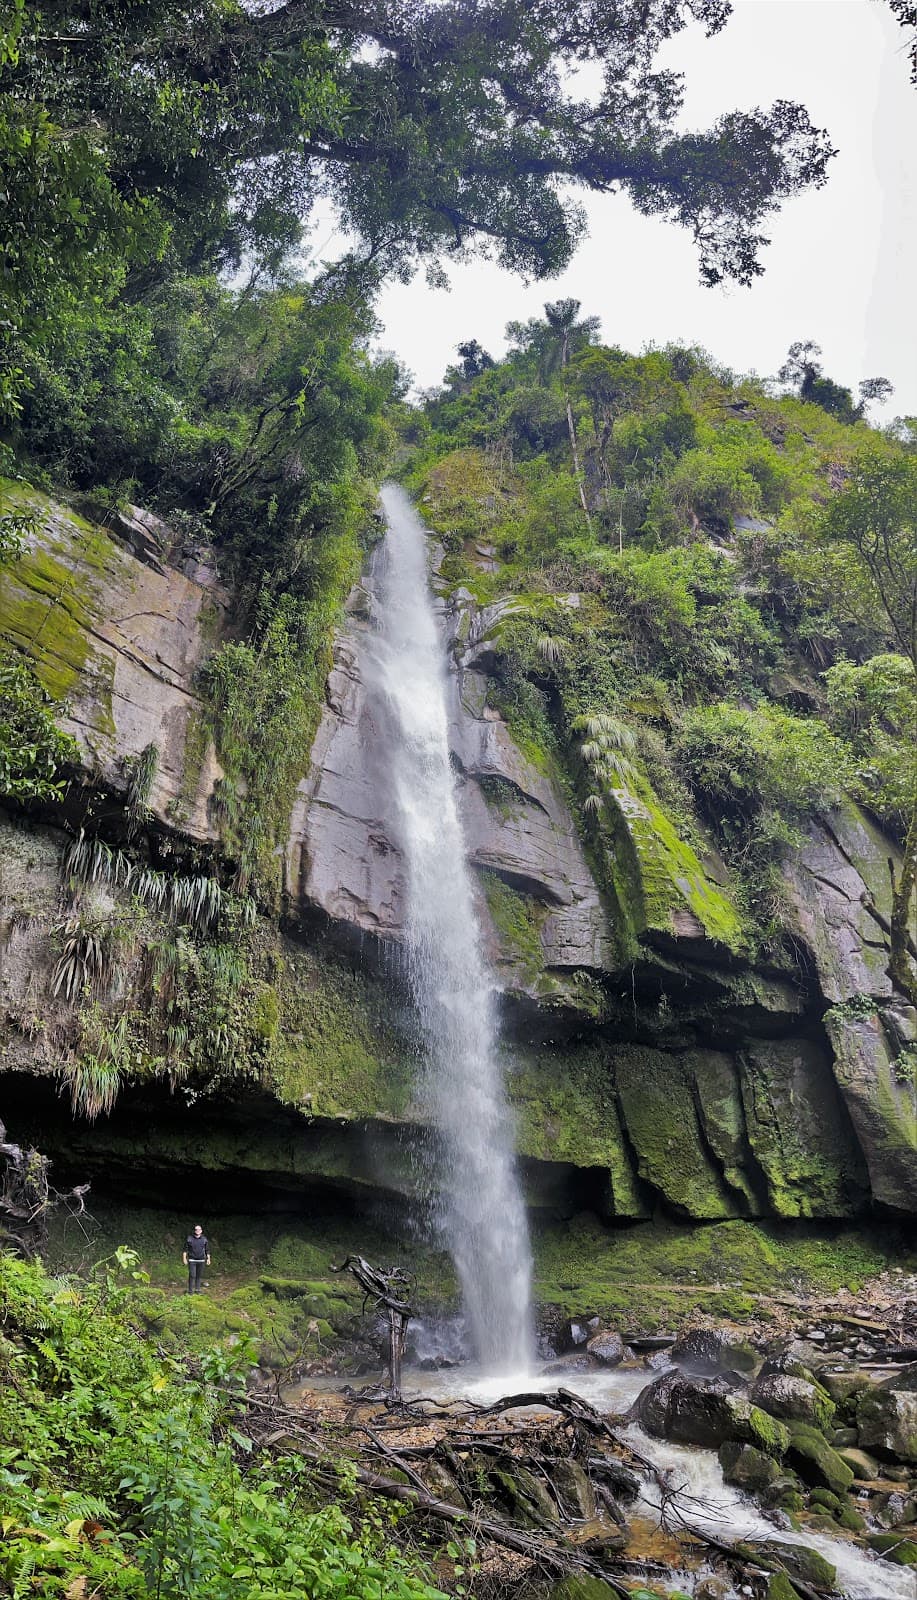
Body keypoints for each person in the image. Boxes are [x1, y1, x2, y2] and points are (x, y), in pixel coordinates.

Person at [182, 1224, 210, 1294]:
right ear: (194, 1231)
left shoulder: (204, 1239)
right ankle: (190, 1291)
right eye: (196, 1229)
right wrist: (184, 1258)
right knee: (192, 1275)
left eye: (199, 1229)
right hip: (192, 1260)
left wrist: (208, 1259)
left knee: (199, 1275)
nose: (198, 1231)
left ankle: (198, 1290)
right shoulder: (189, 1239)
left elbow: (207, 1250)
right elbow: (185, 1249)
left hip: (201, 1260)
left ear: (201, 1231)